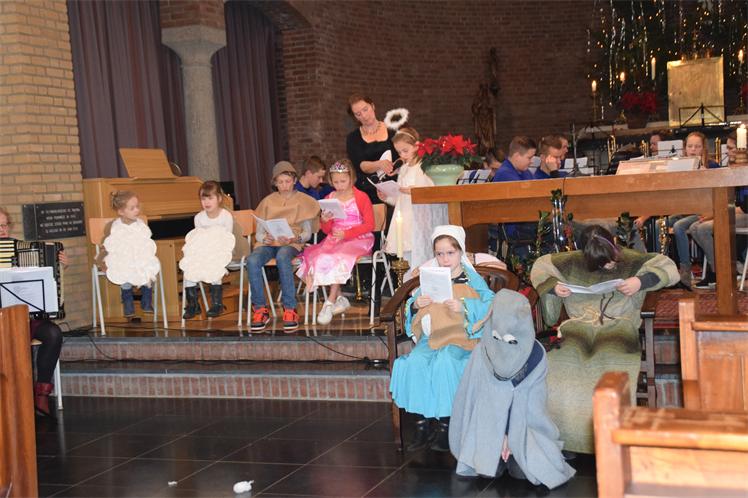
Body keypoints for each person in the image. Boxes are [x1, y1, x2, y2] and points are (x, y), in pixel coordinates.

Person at [530, 225, 678, 454]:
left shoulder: (632, 259)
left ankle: (611, 440)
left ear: (614, 245)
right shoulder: (569, 262)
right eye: (600, 262)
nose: (608, 265)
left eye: (610, 259)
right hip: (579, 326)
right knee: (561, 368)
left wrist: (640, 282)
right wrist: (554, 287)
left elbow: (669, 267)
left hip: (618, 327)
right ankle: (567, 439)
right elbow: (540, 267)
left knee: (609, 367)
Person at [390, 225, 494, 452]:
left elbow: (490, 304)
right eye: (439, 254)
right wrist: (416, 305)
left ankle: (447, 426)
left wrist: (464, 306)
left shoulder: (471, 279)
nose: (445, 259)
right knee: (416, 361)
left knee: (445, 361)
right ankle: (422, 425)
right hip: (433, 337)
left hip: (461, 337)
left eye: (450, 253)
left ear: (460, 252)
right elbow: (412, 307)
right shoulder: (431, 277)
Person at [0, 206, 65, 417]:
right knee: (15, 339)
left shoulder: (25, 249)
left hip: (25, 316)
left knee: (53, 333)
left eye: (5, 225)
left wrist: (59, 264)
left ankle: (41, 392)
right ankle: (14, 396)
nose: (3, 230)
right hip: (2, 319)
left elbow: (46, 277)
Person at [296, 159, 375, 325]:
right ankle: (340, 298)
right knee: (320, 256)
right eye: (336, 182)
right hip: (336, 237)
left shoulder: (361, 197)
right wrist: (325, 221)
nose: (340, 186)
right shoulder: (330, 198)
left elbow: (370, 225)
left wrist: (347, 233)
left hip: (358, 238)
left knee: (338, 256)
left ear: (351, 178)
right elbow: (326, 230)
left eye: (343, 181)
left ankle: (329, 302)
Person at [249, 162, 319, 332]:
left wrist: (296, 238)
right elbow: (258, 233)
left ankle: (290, 308)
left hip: (291, 242)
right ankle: (260, 309)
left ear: (294, 180)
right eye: (280, 182)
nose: (284, 185)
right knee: (252, 260)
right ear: (275, 183)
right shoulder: (267, 202)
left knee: (282, 257)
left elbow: (307, 233)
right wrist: (264, 238)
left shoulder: (304, 201)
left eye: (287, 181)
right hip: (269, 243)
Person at [182, 181, 248, 319]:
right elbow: (198, 239)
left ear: (219, 198)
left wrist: (212, 250)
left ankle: (217, 303)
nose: (206, 202)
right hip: (204, 251)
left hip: (222, 250)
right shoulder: (199, 218)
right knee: (190, 267)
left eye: (210, 198)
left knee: (214, 265)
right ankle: (193, 304)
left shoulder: (225, 216)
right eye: (203, 199)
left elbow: (227, 239)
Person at [691, 131, 748, 288]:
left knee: (703, 229)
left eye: (730, 148)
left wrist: (716, 214)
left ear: (742, 149)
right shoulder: (731, 165)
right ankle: (719, 269)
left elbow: (745, 206)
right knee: (695, 227)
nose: (727, 152)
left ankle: (721, 271)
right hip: (734, 211)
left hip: (744, 213)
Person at [669, 131, 721, 286]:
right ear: (685, 148)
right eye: (690, 146)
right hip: (686, 209)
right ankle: (669, 267)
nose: (693, 150)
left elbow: (719, 193)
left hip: (705, 211)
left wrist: (706, 175)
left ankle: (685, 269)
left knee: (679, 226)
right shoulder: (681, 166)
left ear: (703, 148)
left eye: (697, 146)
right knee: (665, 222)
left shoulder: (712, 166)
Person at [94, 191, 156, 321]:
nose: (137, 210)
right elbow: (109, 244)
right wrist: (101, 261)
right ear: (121, 211)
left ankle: (146, 302)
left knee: (148, 269)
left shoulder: (141, 225)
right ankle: (128, 305)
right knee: (123, 272)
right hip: (122, 258)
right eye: (132, 208)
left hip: (138, 257)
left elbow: (146, 241)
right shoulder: (115, 227)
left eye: (137, 206)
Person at [378, 126, 434, 266]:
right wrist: (387, 197)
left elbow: (430, 191)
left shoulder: (423, 166)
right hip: (403, 217)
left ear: (416, 146)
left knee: (420, 257)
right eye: (399, 152)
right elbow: (399, 198)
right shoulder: (403, 169)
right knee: (407, 259)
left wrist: (412, 191)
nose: (402, 155)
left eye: (405, 151)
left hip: (418, 218)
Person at [345, 94, 399, 204]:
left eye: (365, 109)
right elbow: (361, 165)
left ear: (373, 106)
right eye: (358, 114)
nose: (364, 116)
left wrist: (397, 166)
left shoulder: (393, 131)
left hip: (394, 189)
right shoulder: (353, 138)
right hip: (367, 191)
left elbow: (403, 156)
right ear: (355, 117)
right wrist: (379, 164)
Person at [490, 137, 538, 258]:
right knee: (558, 230)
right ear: (517, 156)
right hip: (514, 228)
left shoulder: (524, 171)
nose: (531, 162)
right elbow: (527, 201)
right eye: (529, 157)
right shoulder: (505, 174)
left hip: (526, 222)